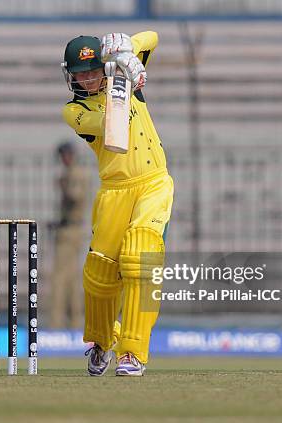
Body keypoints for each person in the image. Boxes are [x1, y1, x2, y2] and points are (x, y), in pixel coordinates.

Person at [61, 32, 174, 376]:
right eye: (80, 73)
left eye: (93, 70)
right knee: (99, 272)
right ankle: (101, 342)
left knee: (141, 257)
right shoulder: (75, 111)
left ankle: (133, 353)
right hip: (114, 191)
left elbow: (151, 38)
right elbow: (114, 126)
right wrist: (123, 78)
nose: (86, 78)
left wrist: (125, 47)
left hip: (152, 183)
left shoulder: (122, 75)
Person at [50, 142, 90, 329]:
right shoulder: (72, 173)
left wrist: (63, 185)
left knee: (61, 278)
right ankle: (74, 322)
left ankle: (58, 323)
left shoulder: (75, 174)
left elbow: (75, 196)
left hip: (70, 231)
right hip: (68, 228)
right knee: (71, 278)